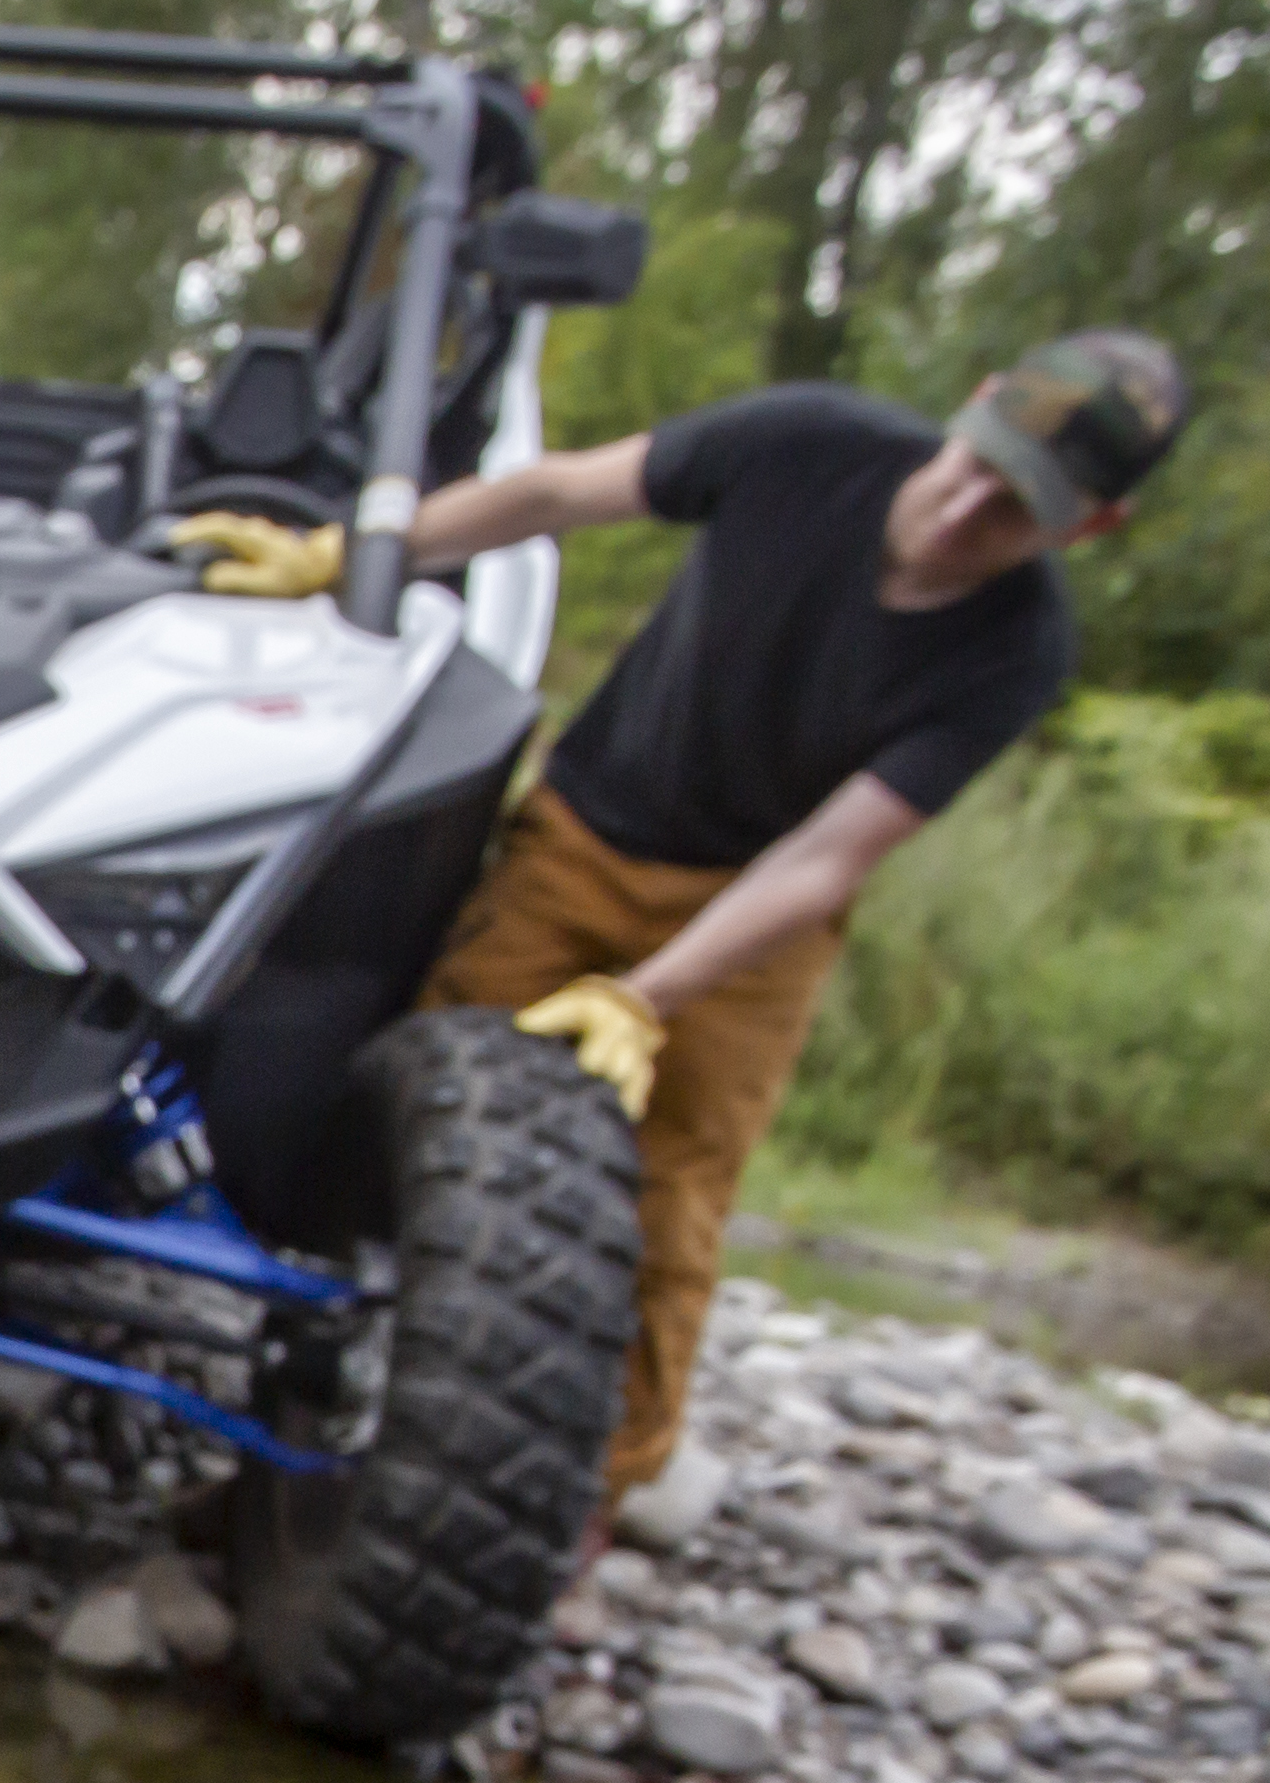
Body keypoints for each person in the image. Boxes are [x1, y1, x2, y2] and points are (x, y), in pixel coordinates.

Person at [172, 331, 1188, 1499]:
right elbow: (556, 492)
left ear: (1087, 529)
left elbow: (827, 856)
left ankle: (594, 1491)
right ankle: (321, 1380)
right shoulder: (809, 444)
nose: (963, 511)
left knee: (670, 1205)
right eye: (973, 465)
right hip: (585, 836)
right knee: (424, 1099)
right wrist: (354, 556)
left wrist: (644, 999)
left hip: (755, 917)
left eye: (1012, 511)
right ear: (970, 404)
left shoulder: (1015, 653)